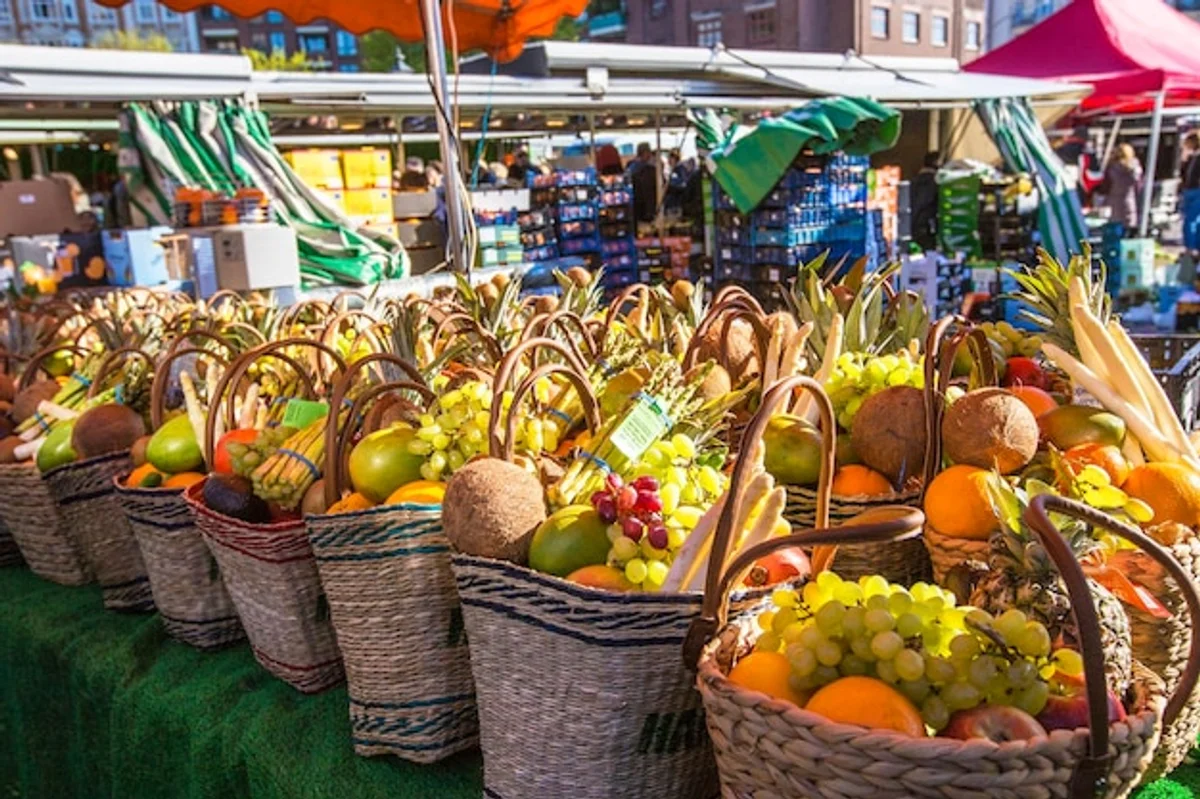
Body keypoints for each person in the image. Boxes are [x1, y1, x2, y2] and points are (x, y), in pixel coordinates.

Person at [1104, 143, 1143, 230]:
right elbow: (1139, 185)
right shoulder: (1135, 166)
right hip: (1130, 200)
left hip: (1113, 200)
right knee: (1129, 228)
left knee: (1115, 227)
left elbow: (1106, 186)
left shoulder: (1111, 167)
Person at [911, 151, 940, 252]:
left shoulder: (914, 181)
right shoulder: (931, 182)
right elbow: (924, 202)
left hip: (914, 226)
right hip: (925, 226)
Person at [629, 142, 658, 223]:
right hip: (648, 210)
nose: (650, 156)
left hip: (635, 210)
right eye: (648, 153)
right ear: (644, 153)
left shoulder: (630, 169)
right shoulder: (650, 170)